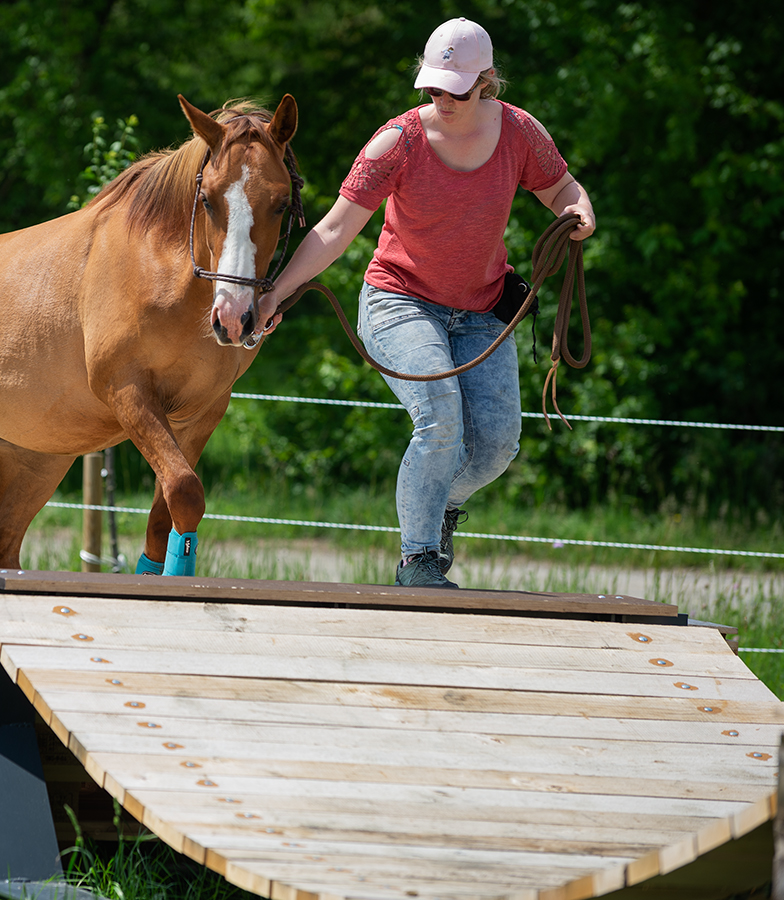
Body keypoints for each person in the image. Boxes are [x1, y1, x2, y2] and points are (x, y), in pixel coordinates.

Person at [254, 17, 595, 589]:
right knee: (439, 420)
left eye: (454, 89)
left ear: (486, 80)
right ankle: (419, 561)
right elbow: (335, 231)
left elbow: (561, 187)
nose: (442, 99)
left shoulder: (520, 133)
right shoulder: (398, 141)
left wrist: (579, 212)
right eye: (432, 87)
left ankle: (434, 510)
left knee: (496, 446)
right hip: (400, 301)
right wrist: (272, 295)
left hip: (483, 308)